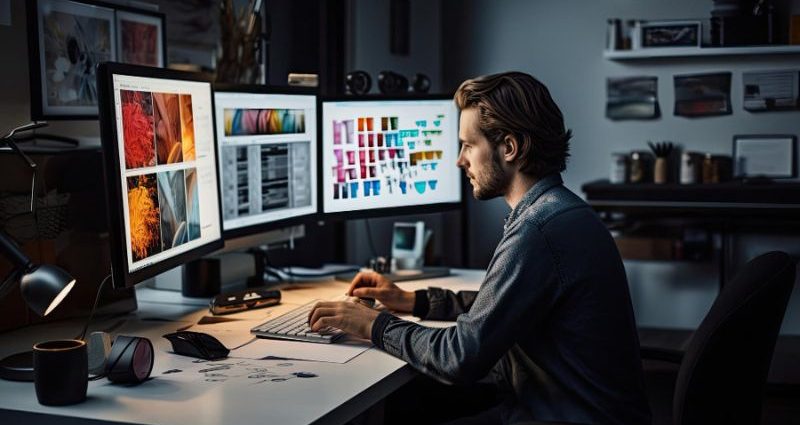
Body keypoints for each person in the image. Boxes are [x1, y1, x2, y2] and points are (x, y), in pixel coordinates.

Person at [309, 72, 651, 425]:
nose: (460, 160)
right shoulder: (561, 210)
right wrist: (416, 302)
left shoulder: (537, 230)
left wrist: (372, 324)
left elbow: (460, 357)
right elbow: (505, 305)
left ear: (509, 147)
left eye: (468, 145)